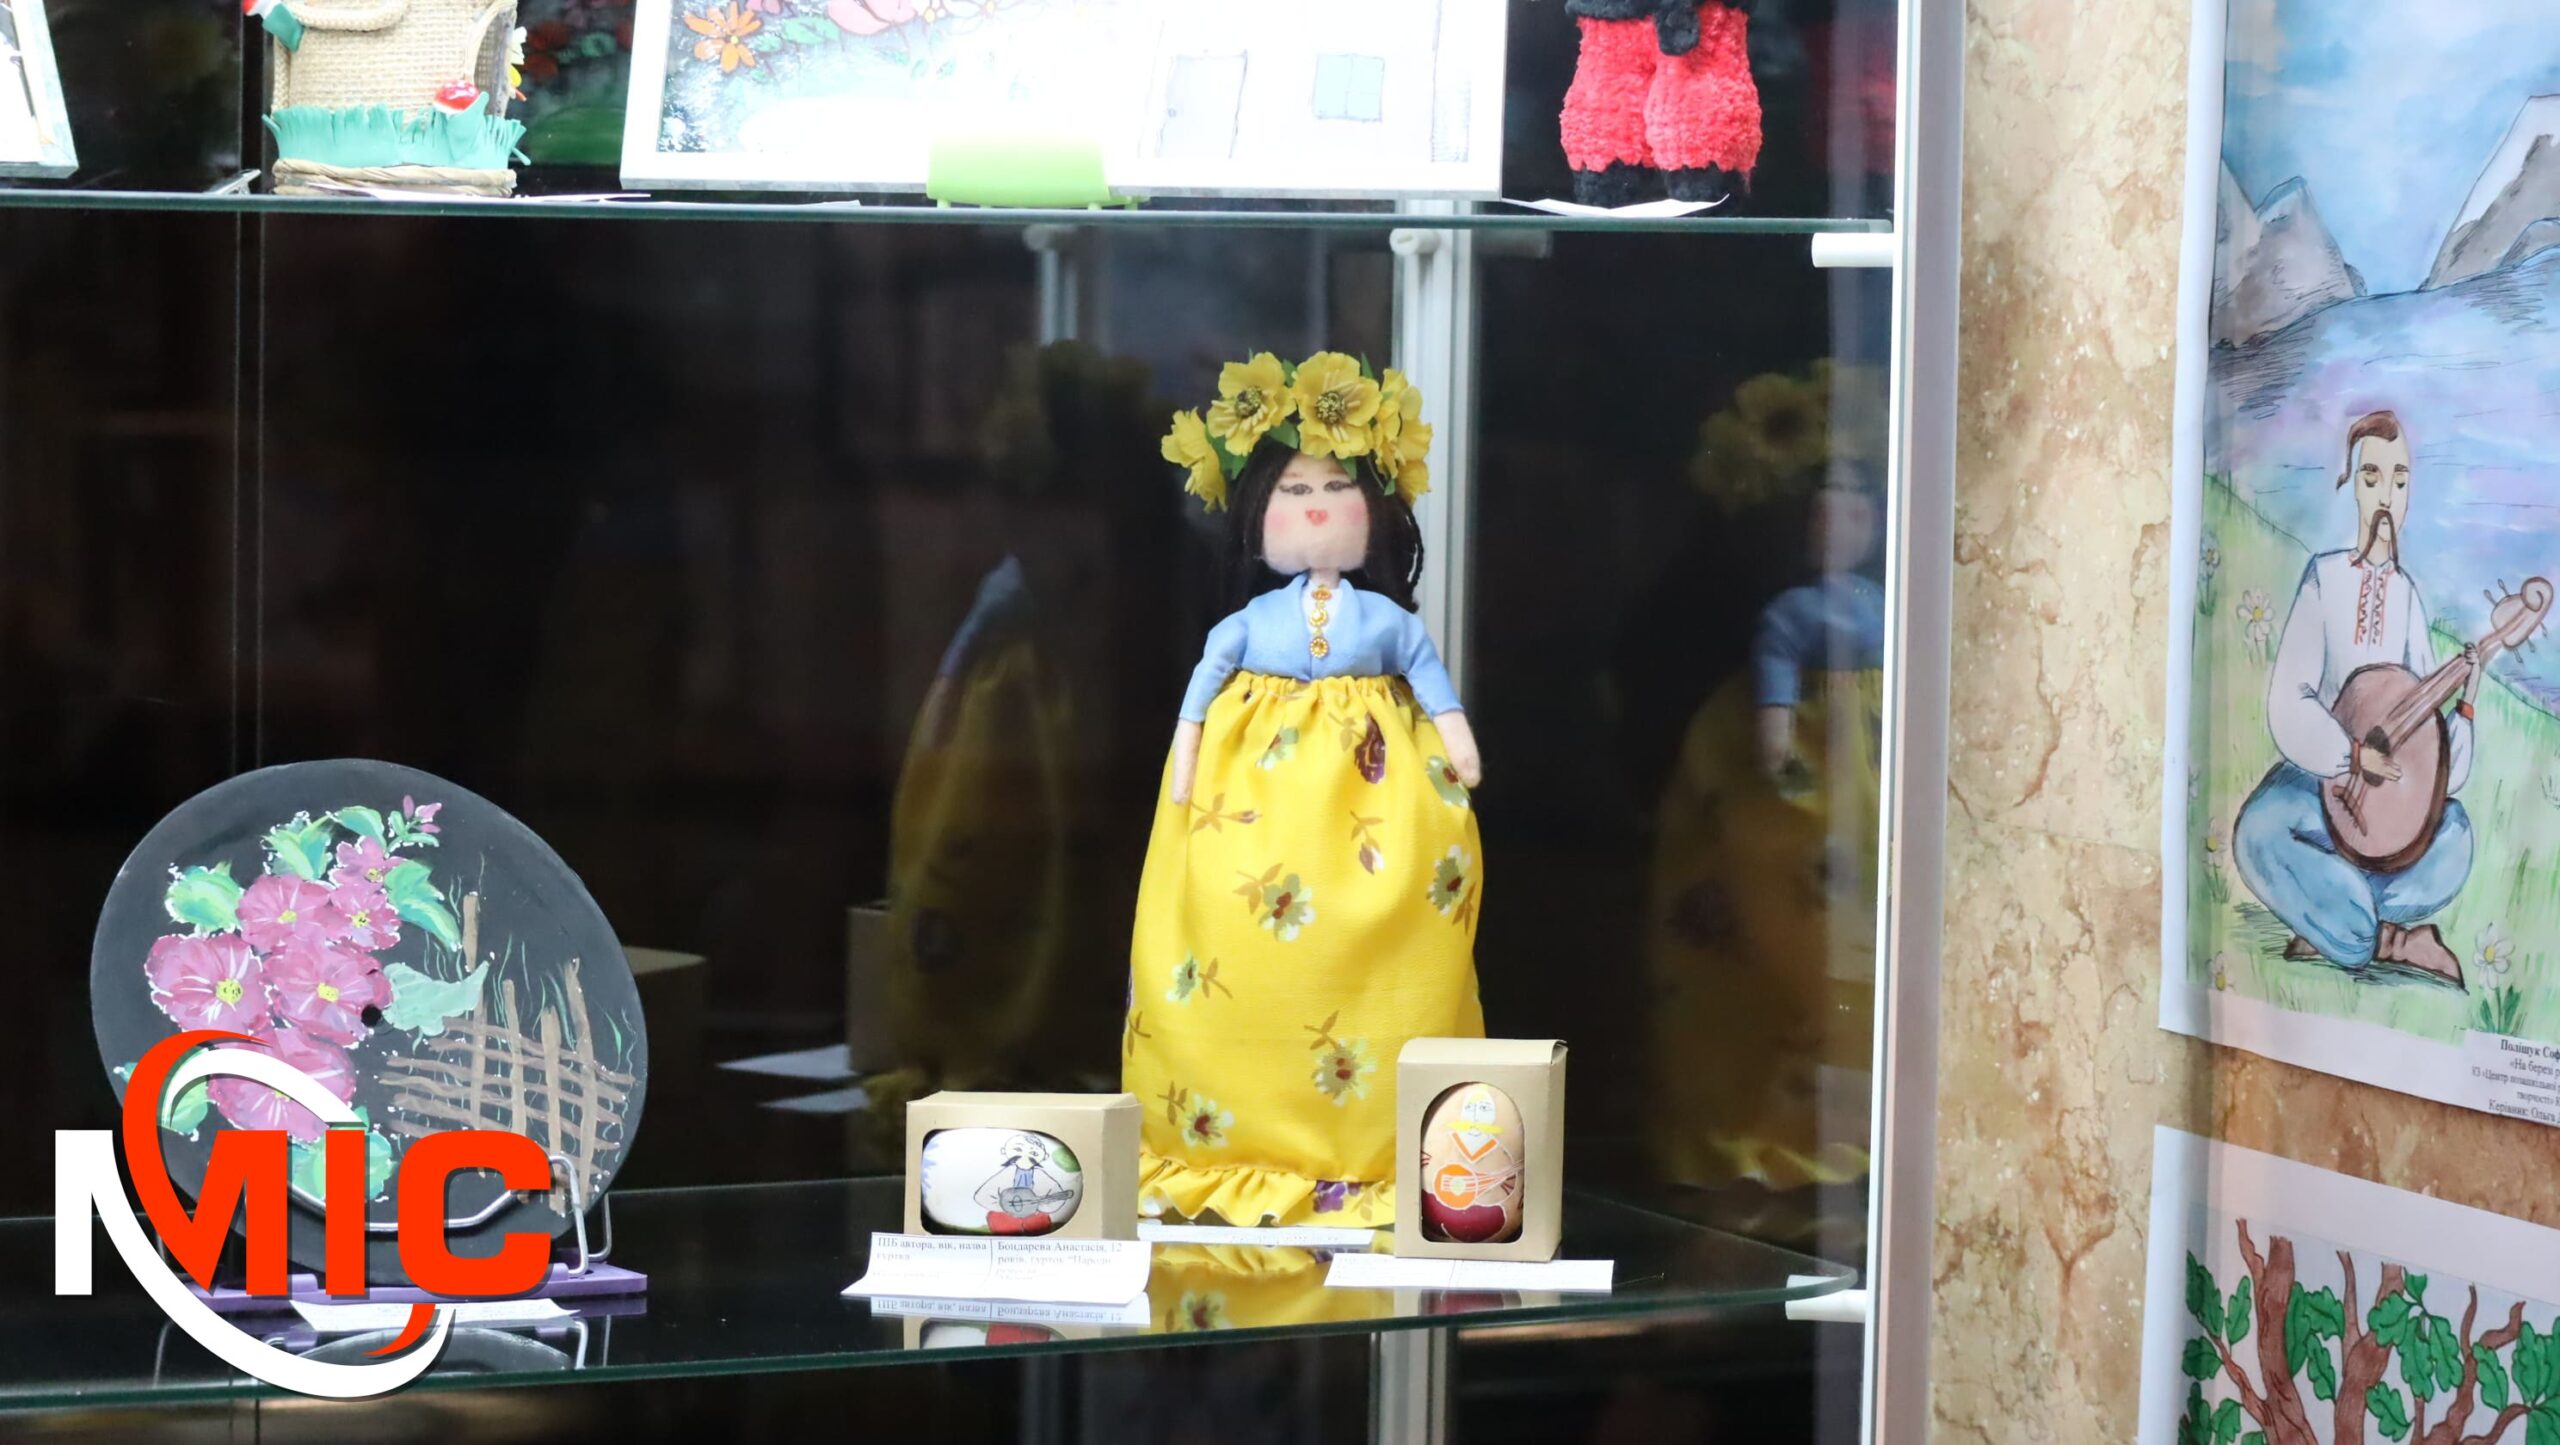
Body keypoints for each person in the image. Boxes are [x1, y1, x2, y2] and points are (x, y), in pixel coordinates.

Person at [1125, 352, 1484, 1227]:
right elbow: (1198, 697)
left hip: (1383, 791)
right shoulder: (1247, 626)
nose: (1316, 505)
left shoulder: (1388, 625)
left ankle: (1382, 1153)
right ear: (1256, 516)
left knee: (1390, 946)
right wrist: (1185, 763)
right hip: (1244, 790)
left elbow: (1433, 684)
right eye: (1292, 490)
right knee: (1231, 940)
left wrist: (1459, 750)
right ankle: (1225, 1144)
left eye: (1335, 487)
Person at [2233, 410, 2473, 986]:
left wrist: (2467, 700)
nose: (2386, 495)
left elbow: (2436, 754)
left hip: (2388, 811)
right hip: (2318, 787)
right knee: (2255, 835)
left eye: (2399, 480)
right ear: (2351, 486)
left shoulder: (2408, 598)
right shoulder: (2325, 577)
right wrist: (2349, 756)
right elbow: (2289, 698)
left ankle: (2334, 920)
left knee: (2456, 837)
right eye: (2371, 477)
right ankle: (2388, 938)